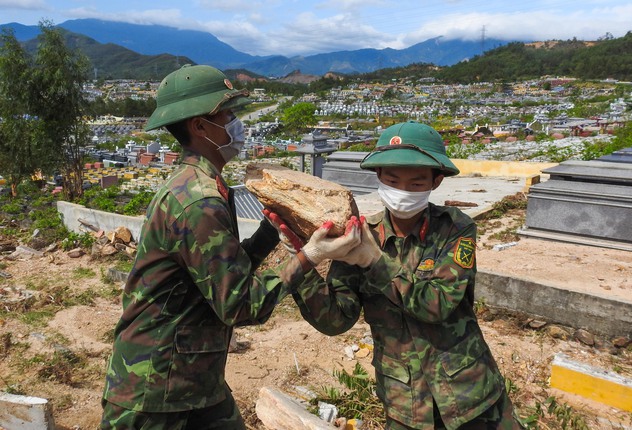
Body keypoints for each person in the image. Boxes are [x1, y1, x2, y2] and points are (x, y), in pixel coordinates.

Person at [100, 64, 359, 429]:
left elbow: (221, 272)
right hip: (154, 387)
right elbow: (239, 304)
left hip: (193, 376)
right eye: (228, 114)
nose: (237, 124)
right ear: (200, 126)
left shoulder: (202, 184)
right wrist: (309, 256)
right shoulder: (198, 201)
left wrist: (270, 233)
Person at [291, 121, 524, 429]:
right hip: (406, 405)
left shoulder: (455, 229)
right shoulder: (360, 236)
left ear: (436, 181)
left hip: (472, 395)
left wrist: (375, 260)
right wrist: (305, 260)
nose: (402, 191)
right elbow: (337, 320)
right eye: (392, 180)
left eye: (416, 183)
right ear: (379, 177)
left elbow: (436, 304)